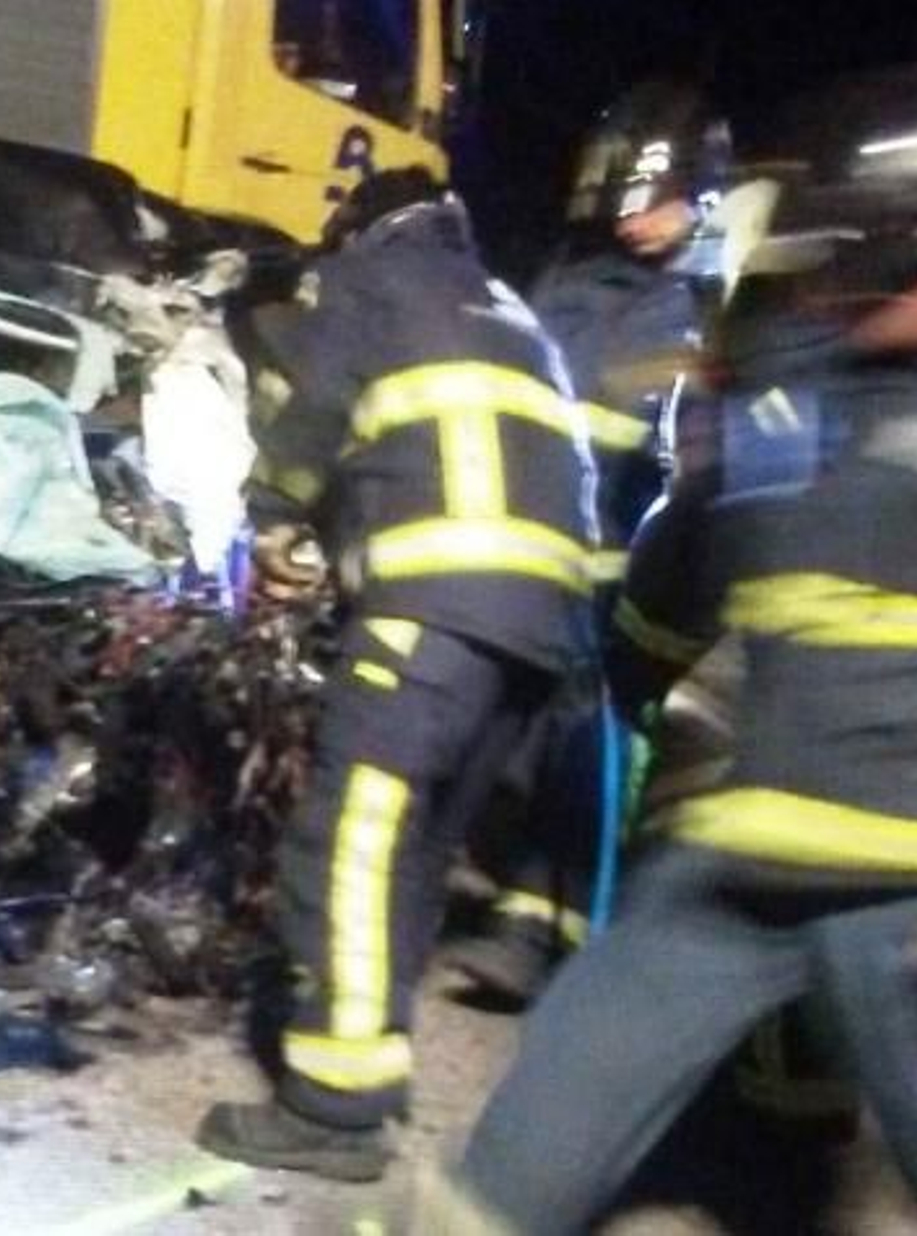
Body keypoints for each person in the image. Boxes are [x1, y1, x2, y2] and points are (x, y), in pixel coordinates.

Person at [418, 65, 917, 1233]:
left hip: (912, 878)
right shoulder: (786, 388)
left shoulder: (789, 392)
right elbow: (681, 581)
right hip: (750, 854)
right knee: (521, 1147)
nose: (843, 297)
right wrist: (632, 668)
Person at [194, 168, 597, 1181]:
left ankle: (333, 1110)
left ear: (362, 233)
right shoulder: (505, 308)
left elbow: (311, 416)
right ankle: (374, 1059)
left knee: (348, 845)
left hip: (438, 610)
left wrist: (269, 514)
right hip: (540, 629)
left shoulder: (372, 282)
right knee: (411, 853)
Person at [452, 80, 730, 1004]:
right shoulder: (565, 286)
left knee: (584, 755)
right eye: (630, 195)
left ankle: (541, 934)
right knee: (500, 734)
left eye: (660, 198)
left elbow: (695, 467)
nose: (640, 216)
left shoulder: (708, 315)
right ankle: (507, 905)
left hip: (619, 585)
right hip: (518, 555)